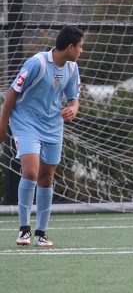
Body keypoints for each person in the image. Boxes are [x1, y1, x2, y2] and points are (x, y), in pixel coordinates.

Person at [0, 25, 84, 248]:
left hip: (52, 126)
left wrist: (73, 109)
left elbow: (73, 97)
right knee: (30, 171)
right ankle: (24, 229)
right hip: (26, 122)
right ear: (69, 47)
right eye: (80, 46)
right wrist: (2, 125)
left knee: (46, 177)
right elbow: (11, 94)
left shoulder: (72, 67)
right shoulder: (36, 63)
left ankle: (41, 232)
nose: (81, 50)